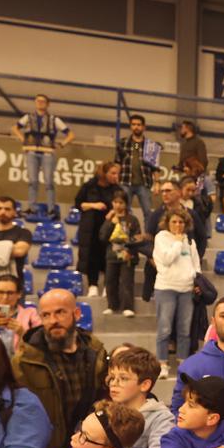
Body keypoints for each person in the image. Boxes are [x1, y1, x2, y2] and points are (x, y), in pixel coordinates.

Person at [12, 289, 108, 448]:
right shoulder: (24, 361)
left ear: (77, 313)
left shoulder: (97, 353)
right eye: (46, 315)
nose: (52, 321)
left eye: (60, 312)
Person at [105, 347, 175, 448]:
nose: (114, 383)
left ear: (145, 385)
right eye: (112, 377)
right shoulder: (103, 412)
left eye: (123, 378)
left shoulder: (161, 417)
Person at [153, 210, 202, 376]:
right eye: (174, 221)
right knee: (164, 329)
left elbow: (196, 265)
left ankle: (183, 364)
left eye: (181, 222)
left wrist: (196, 281)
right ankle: (162, 365)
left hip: (186, 290)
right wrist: (177, 243)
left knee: (184, 331)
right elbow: (167, 259)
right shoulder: (162, 238)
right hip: (166, 288)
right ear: (168, 223)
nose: (178, 225)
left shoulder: (190, 241)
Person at [12, 93, 74, 219]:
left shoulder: (54, 119)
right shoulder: (28, 117)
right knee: (32, 181)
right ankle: (32, 208)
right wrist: (23, 139)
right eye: (38, 101)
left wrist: (61, 145)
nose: (40, 103)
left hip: (47, 153)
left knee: (49, 182)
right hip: (31, 152)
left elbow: (70, 134)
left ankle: (51, 209)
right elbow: (15, 128)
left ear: (47, 104)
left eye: (43, 101)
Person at [75, 161, 121, 298]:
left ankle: (108, 286)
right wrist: (94, 205)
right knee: (92, 257)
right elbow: (79, 204)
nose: (116, 176)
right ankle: (92, 286)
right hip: (91, 228)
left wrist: (113, 213)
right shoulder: (89, 186)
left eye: (117, 173)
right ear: (104, 173)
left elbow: (123, 206)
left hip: (109, 229)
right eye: (113, 173)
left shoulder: (117, 189)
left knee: (108, 257)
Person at [100, 189, 142, 317]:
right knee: (110, 281)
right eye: (115, 202)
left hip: (127, 255)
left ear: (126, 204)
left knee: (126, 281)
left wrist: (130, 247)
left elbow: (137, 237)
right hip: (112, 255)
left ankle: (128, 306)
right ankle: (112, 305)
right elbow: (102, 237)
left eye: (121, 202)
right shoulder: (109, 219)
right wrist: (110, 224)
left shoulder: (132, 219)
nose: (118, 205)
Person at [114, 113, 161, 219]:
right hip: (125, 182)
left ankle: (148, 234)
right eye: (134, 124)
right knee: (123, 210)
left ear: (144, 127)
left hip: (144, 184)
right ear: (130, 126)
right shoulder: (122, 143)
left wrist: (157, 183)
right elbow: (117, 162)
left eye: (139, 124)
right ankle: (122, 233)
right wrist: (115, 177)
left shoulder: (151, 146)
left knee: (148, 212)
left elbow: (155, 167)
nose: (136, 127)